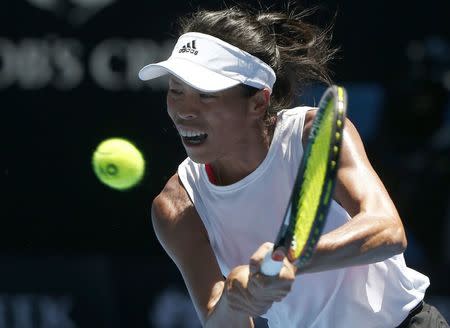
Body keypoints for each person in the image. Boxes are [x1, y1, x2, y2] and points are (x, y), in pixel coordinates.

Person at [138, 4, 449, 328]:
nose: (184, 110)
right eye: (176, 90)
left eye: (204, 94)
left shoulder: (313, 135)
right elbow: (224, 321)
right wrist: (236, 296)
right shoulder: (175, 207)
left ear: (258, 102)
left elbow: (387, 229)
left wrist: (291, 257)